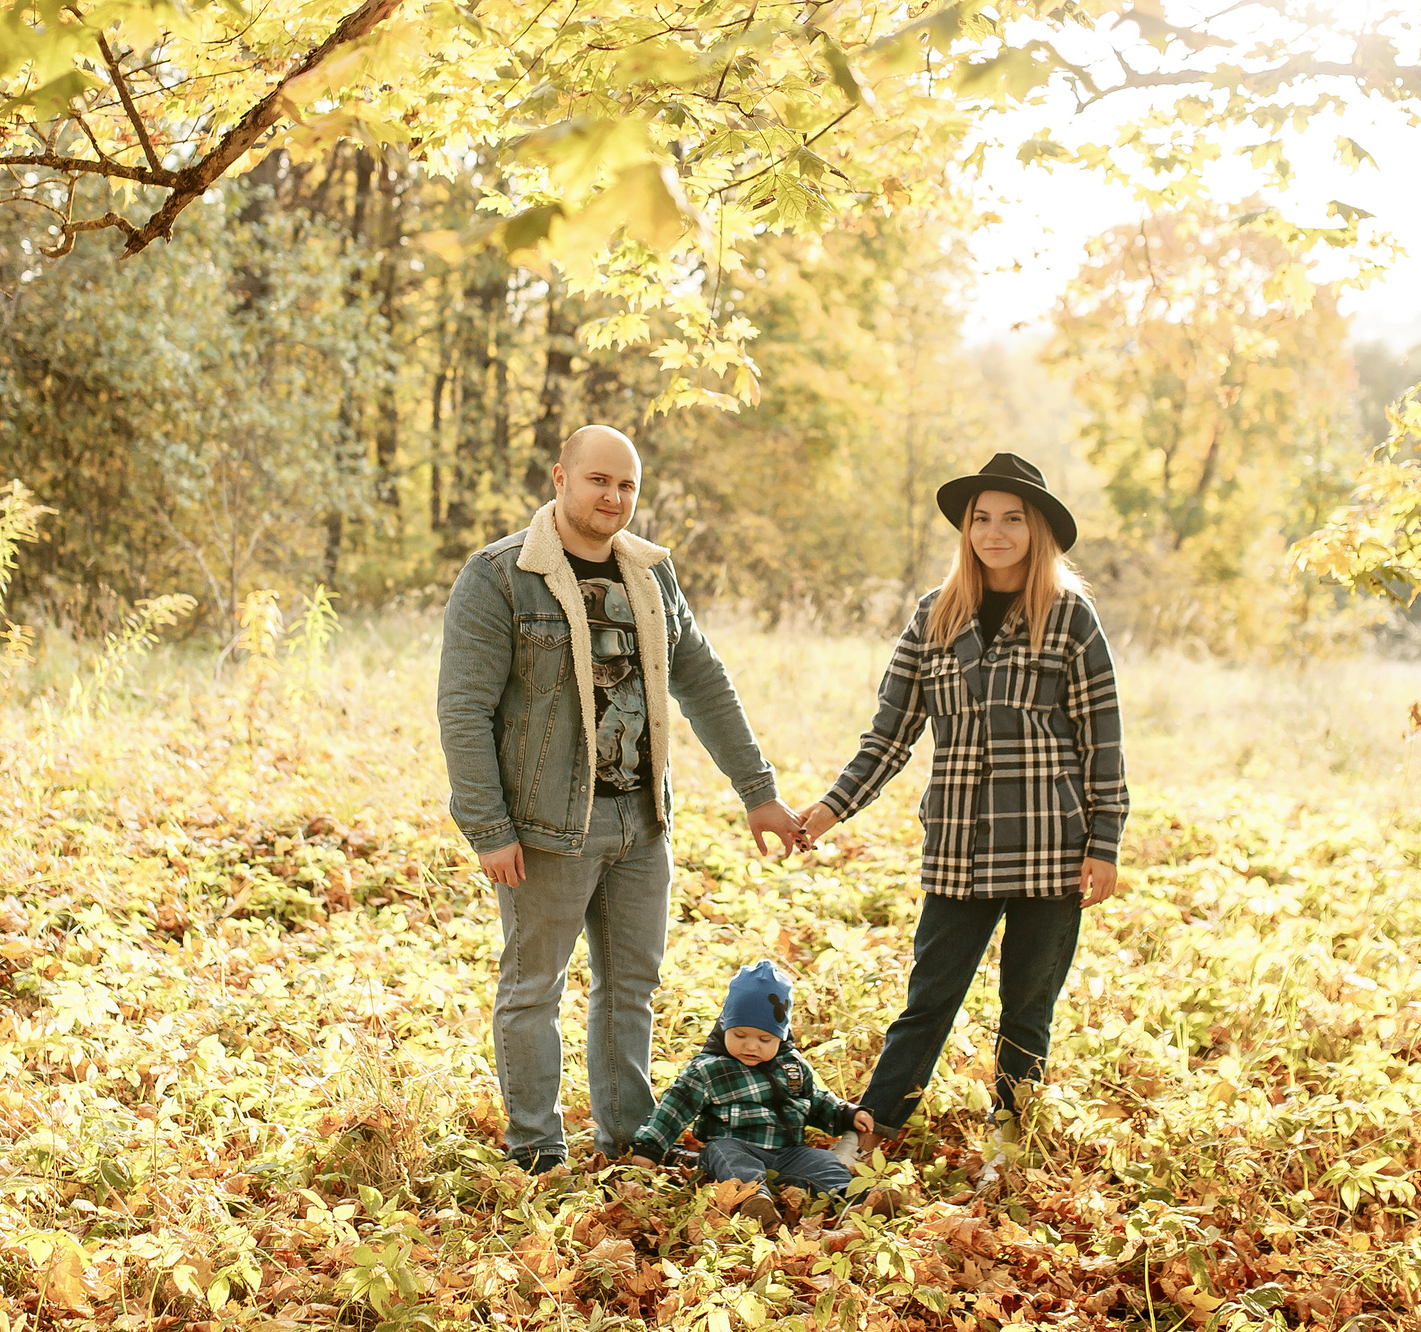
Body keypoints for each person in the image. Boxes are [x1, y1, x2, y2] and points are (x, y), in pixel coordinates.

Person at [438, 424, 810, 1171]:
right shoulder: (500, 576)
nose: (613, 496)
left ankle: (626, 1143)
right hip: (546, 826)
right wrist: (488, 826)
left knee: (630, 989)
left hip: (641, 821)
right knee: (532, 989)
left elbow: (702, 679)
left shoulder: (650, 575)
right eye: (599, 479)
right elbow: (462, 708)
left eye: (627, 485)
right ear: (560, 478)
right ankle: (537, 1150)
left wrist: (758, 790)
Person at [800, 452, 1127, 1179]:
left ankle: (1008, 1141)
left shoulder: (1071, 617)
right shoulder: (934, 615)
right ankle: (872, 1130)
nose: (995, 531)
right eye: (982, 517)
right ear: (967, 528)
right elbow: (890, 734)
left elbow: (1102, 739)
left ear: (1037, 529)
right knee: (929, 998)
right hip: (960, 848)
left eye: (1013, 518)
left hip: (1051, 847)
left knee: (1027, 1007)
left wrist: (1105, 842)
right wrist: (827, 810)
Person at [622, 960, 897, 1220]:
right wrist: (649, 1148)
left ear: (781, 1035)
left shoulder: (791, 1065)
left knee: (822, 1161)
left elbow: (815, 1100)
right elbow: (673, 1109)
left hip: (788, 1152)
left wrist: (846, 1114)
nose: (751, 1046)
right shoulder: (709, 1070)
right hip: (735, 1145)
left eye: (765, 1039)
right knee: (726, 1155)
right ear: (724, 1026)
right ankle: (753, 1200)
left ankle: (858, 1198)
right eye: (739, 1035)